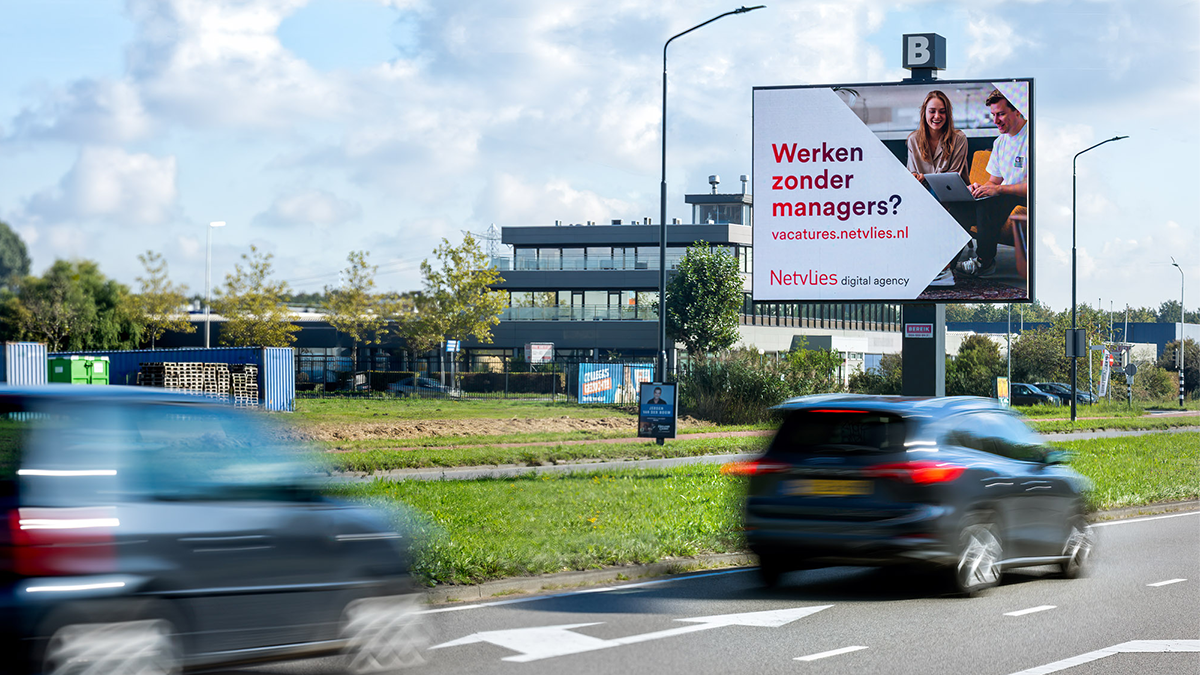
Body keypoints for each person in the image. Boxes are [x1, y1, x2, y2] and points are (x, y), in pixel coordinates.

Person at [958, 89, 1029, 278]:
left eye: (1001, 114)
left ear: (1018, 111)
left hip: (1027, 198)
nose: (996, 120)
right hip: (1006, 194)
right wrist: (980, 188)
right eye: (993, 115)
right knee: (962, 205)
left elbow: (1037, 186)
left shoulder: (1033, 137)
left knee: (989, 205)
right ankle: (946, 265)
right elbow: (993, 181)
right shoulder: (1000, 143)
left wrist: (998, 189)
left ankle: (985, 263)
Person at [906, 90, 970, 288]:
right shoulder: (913, 140)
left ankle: (939, 267)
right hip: (924, 197)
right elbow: (911, 175)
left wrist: (925, 177)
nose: (937, 117)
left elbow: (953, 177)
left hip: (953, 196)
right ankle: (935, 267)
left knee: (933, 200)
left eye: (942, 112)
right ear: (924, 113)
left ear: (948, 114)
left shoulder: (959, 138)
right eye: (932, 111)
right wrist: (916, 178)